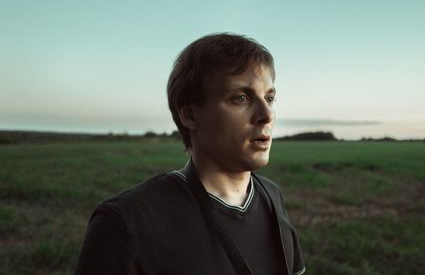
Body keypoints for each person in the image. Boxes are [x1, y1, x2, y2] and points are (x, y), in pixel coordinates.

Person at [74, 33, 305, 275]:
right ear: (190, 115)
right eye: (241, 98)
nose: (266, 114)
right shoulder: (125, 222)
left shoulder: (272, 195)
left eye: (269, 97)